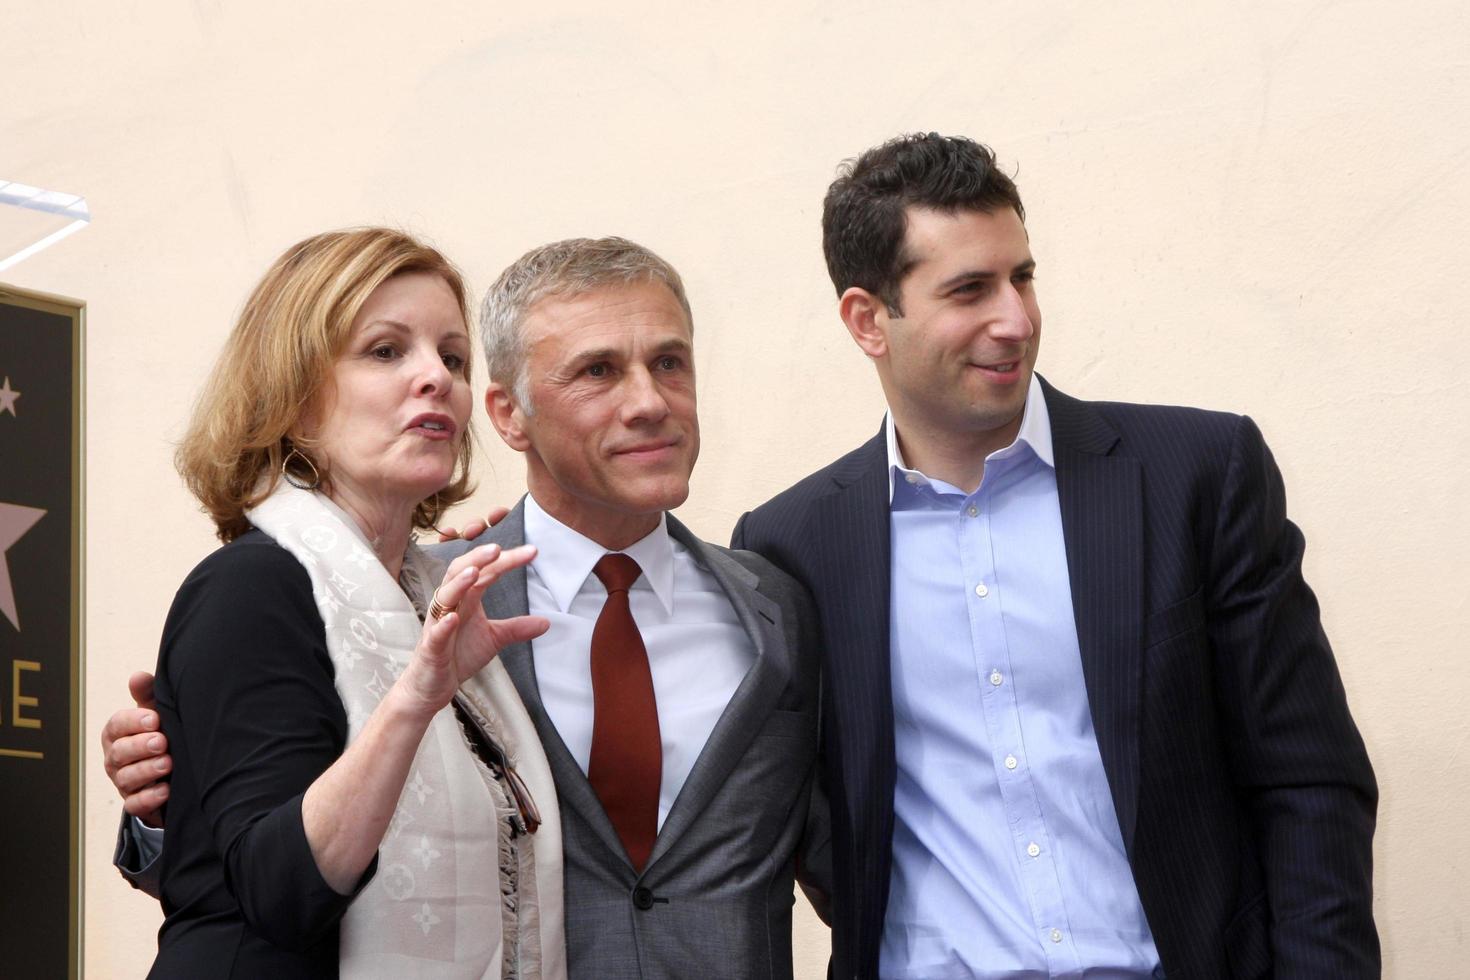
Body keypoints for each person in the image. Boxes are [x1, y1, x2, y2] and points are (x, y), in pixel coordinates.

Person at [731, 133, 1380, 979]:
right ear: (867, 319)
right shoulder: (793, 545)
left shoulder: (1195, 475)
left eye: (1022, 277)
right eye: (970, 290)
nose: (1017, 319)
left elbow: (1310, 783)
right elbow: (812, 823)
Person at [105, 236, 828, 980]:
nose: (648, 402)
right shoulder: (422, 603)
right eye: (598, 371)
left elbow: (853, 847)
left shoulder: (774, 609)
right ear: (510, 416)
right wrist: (170, 803)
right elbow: (261, 873)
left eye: (669, 363)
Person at [128, 227, 566, 978]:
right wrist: (414, 698)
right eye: (386, 350)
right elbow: (282, 891)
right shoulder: (251, 587)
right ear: (293, 398)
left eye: (453, 357)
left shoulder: (430, 595)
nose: (436, 377)